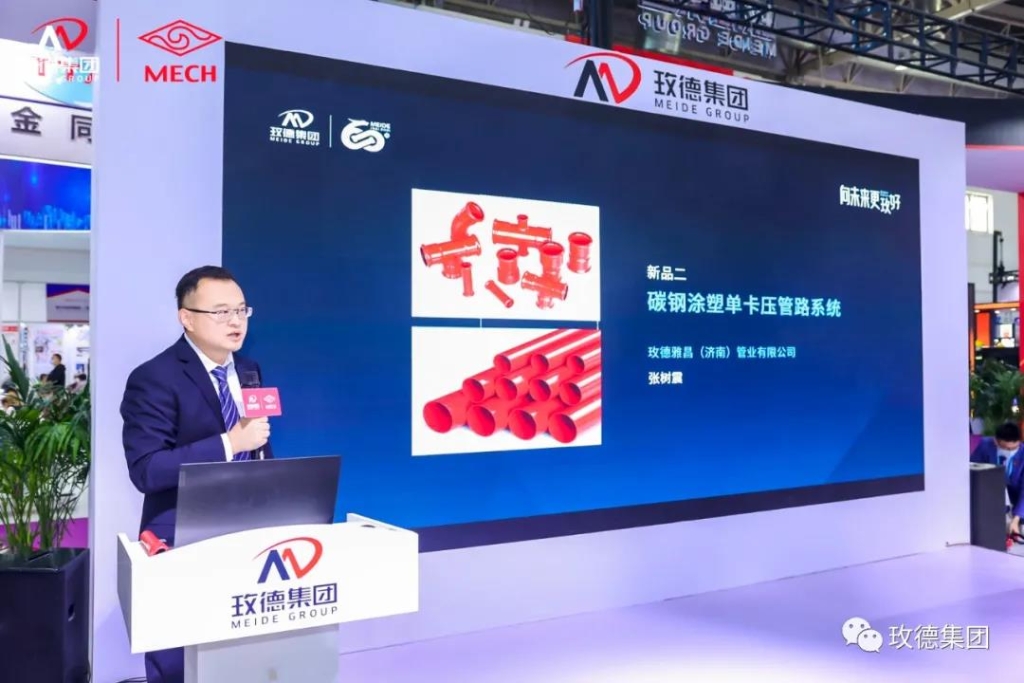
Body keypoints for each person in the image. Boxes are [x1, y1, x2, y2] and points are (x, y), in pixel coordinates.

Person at [120, 265, 273, 683]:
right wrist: (230, 443)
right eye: (221, 312)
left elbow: (259, 445)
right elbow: (147, 470)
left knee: (244, 660)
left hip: (250, 534)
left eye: (241, 310)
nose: (235, 321)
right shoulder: (154, 378)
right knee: (179, 664)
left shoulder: (250, 370)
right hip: (182, 537)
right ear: (186, 317)